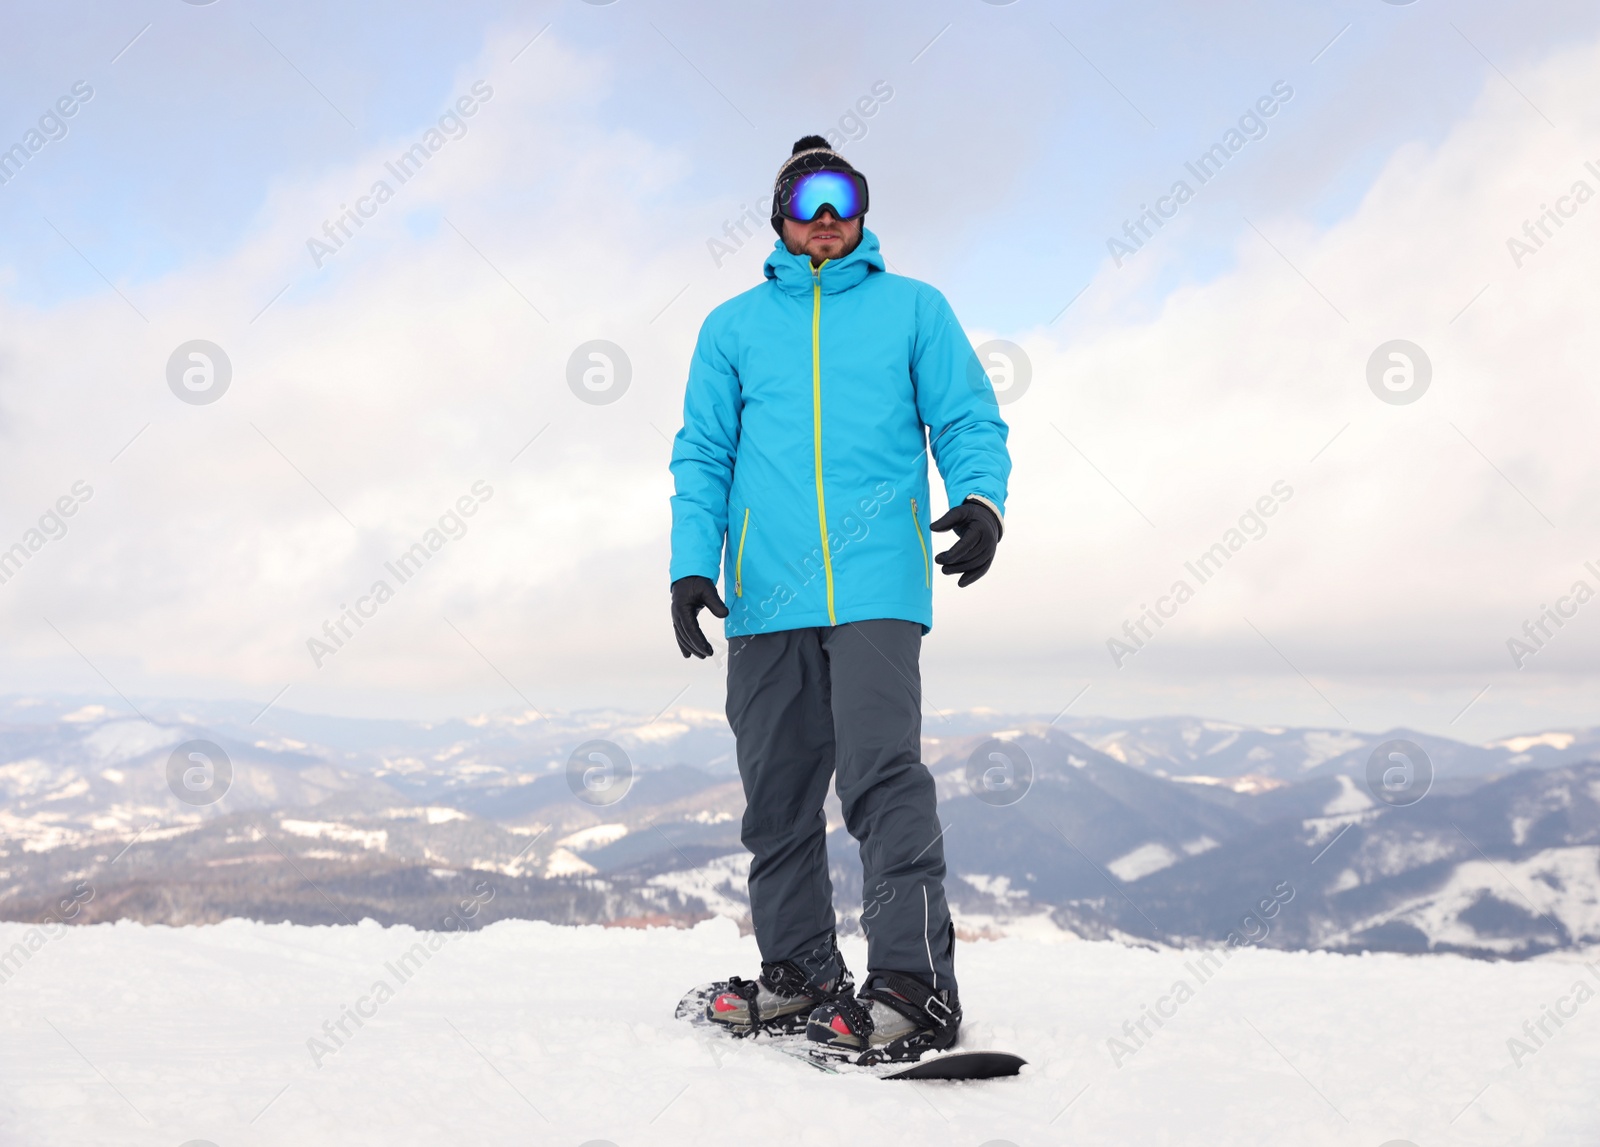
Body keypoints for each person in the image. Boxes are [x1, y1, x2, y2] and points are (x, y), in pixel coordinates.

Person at [668, 136, 1011, 1061]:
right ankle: (803, 975)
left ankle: (912, 987)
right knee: (776, 798)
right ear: (780, 216)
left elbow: (969, 416)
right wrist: (691, 564)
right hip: (767, 595)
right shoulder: (732, 328)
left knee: (880, 778)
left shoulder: (913, 310)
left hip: (876, 589)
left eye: (844, 195)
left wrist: (979, 498)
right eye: (809, 198)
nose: (827, 215)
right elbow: (703, 454)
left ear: (862, 211)